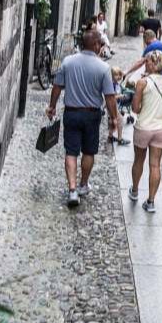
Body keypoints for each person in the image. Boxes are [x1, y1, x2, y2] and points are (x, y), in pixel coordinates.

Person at [46, 29, 119, 208]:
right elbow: (109, 97)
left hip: (71, 112)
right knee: (88, 152)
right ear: (95, 45)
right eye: (101, 44)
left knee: (71, 151)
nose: (102, 47)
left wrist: (52, 106)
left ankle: (72, 190)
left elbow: (57, 86)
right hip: (91, 115)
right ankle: (83, 184)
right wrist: (113, 118)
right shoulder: (103, 68)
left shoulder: (68, 62)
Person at [129, 49, 162, 212]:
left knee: (139, 160)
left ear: (153, 64)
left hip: (144, 127)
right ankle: (151, 201)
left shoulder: (142, 83)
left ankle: (135, 191)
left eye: (148, 62)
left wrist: (143, 106)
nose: (146, 63)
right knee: (155, 165)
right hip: (161, 129)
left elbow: (135, 109)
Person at [109, 66, 131, 146]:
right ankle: (120, 139)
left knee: (112, 121)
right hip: (112, 105)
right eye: (116, 75)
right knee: (120, 120)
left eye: (119, 75)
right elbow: (111, 96)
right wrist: (120, 96)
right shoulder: (111, 84)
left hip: (113, 105)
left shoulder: (115, 83)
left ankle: (110, 136)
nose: (118, 77)